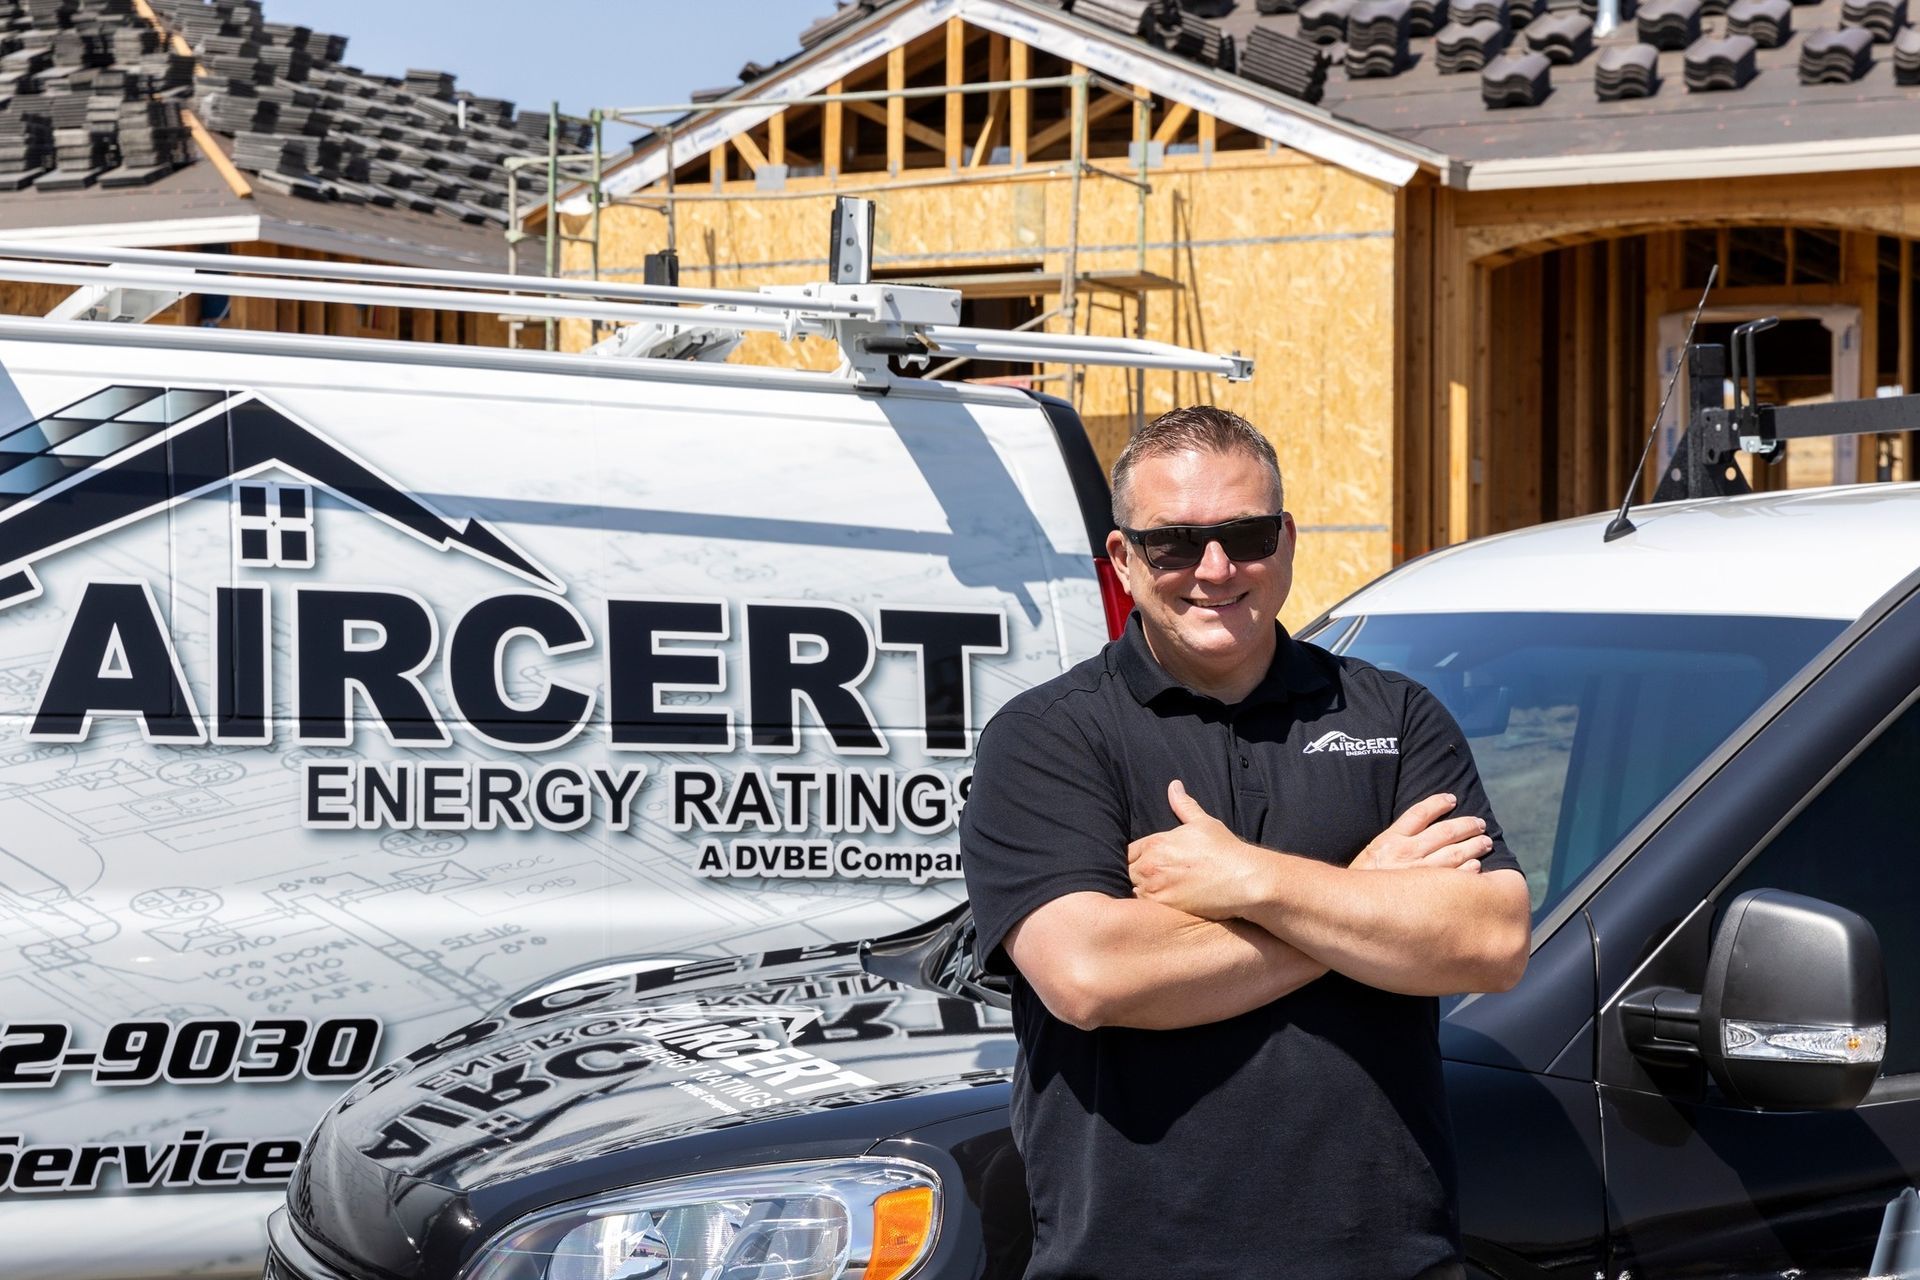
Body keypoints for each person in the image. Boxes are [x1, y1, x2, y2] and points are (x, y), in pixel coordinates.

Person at [959, 405, 1531, 1280]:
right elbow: (1093, 976)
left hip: (1390, 1260)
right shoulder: (1048, 737)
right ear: (1123, 559)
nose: (1216, 569)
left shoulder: (1396, 716)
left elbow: (1489, 941)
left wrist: (1252, 881)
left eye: (1246, 534)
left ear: (1288, 540)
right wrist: (1368, 898)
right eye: (1174, 544)